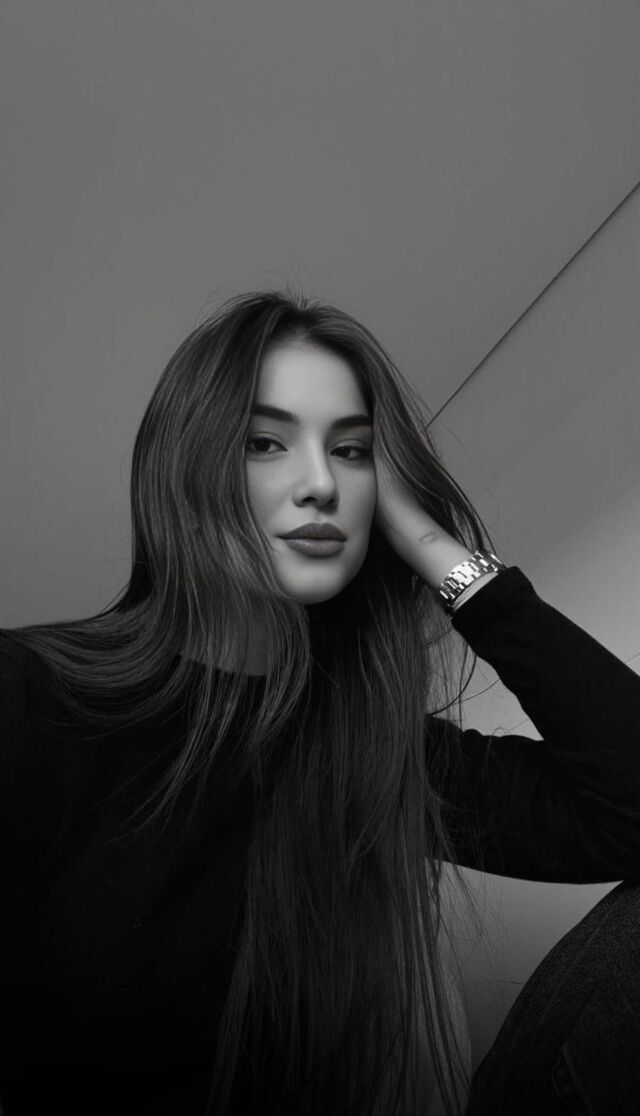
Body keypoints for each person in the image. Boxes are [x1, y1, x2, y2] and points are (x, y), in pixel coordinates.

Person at [1, 288, 640, 1116]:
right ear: (183, 470)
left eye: (352, 452)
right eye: (265, 443)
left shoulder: (369, 745)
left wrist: (440, 552)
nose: (320, 484)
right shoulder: (30, 695)